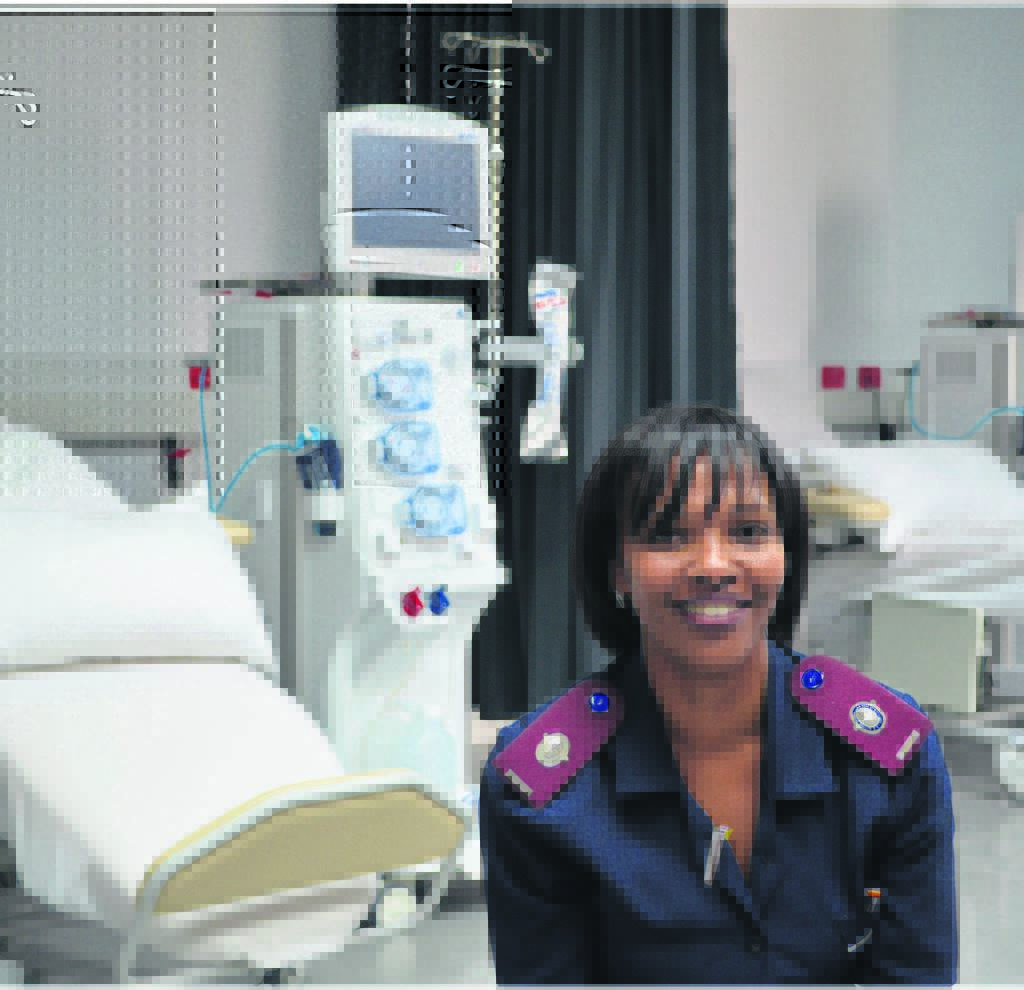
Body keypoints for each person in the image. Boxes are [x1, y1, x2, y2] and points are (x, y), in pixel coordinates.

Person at [478, 403, 957, 985]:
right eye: (668, 535)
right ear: (617, 570)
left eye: (748, 532)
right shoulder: (540, 788)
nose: (713, 566)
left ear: (787, 555)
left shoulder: (890, 757)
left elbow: (917, 974)